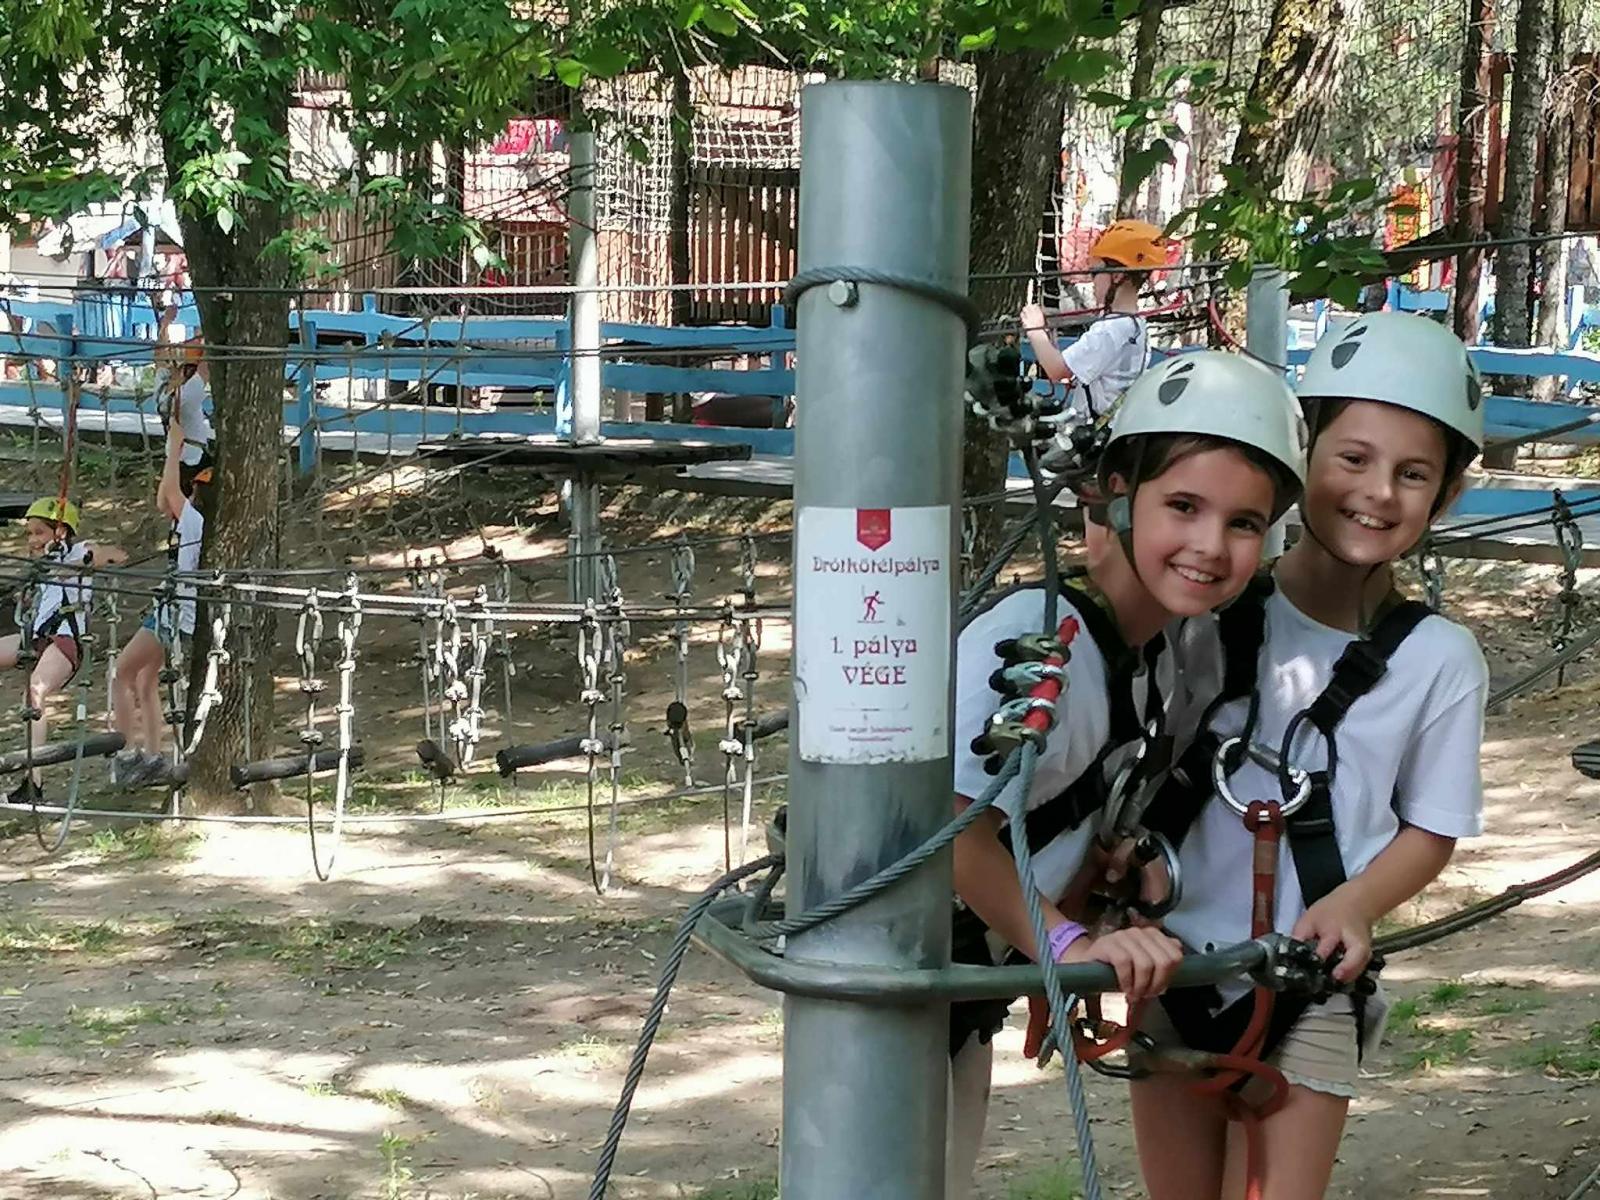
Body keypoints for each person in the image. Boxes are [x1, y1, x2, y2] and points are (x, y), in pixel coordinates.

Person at [1131, 313, 1489, 1200]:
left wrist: (1355, 904)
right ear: (1303, 459)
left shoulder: (1438, 660)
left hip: (1310, 978)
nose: (1378, 492)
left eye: (1414, 474)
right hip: (1174, 962)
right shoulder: (1207, 608)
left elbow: (1434, 826)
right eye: (1353, 458)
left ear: (1445, 495)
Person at [946, 351, 1310, 1199]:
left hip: (956, 993)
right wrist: (1070, 945)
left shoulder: (1163, 653)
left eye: (1244, 522)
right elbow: (946, 833)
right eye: (1183, 506)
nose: (1209, 546)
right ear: (1117, 496)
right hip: (903, 985)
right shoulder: (1046, 642)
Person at [0, 498, 125, 805]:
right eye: (29, 534)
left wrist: (82, 560)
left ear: (61, 532)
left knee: (34, 692)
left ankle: (33, 784)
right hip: (36, 636)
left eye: (39, 533)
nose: (32, 540)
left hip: (65, 640)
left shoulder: (77, 551)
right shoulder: (42, 565)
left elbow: (116, 555)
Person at [111, 424, 205, 787]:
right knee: (145, 680)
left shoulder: (195, 520)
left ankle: (126, 754)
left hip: (175, 613)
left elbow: (168, 493)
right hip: (173, 610)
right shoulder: (190, 520)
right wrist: (174, 452)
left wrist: (173, 449)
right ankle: (153, 756)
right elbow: (163, 500)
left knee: (120, 672)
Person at [1020, 219, 1169, 435]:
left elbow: (1057, 370)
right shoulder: (1135, 324)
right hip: (1118, 430)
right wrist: (1048, 324)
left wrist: (1034, 329)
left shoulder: (1109, 330)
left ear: (1117, 276)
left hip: (1096, 436)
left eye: (1095, 273)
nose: (1092, 282)